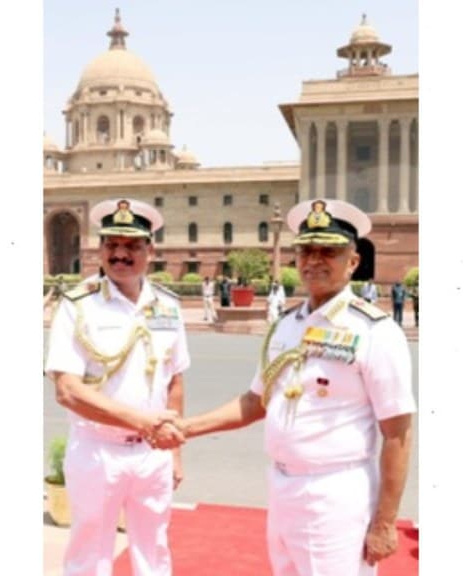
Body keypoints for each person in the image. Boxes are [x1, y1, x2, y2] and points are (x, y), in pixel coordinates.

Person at [170, 198, 416, 575]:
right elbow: (256, 401)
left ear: (352, 262)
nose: (314, 260)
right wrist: (186, 428)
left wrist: (384, 522)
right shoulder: (287, 324)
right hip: (283, 486)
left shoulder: (374, 331)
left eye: (328, 251)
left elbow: (398, 432)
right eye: (306, 250)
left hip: (335, 494)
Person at [45, 198, 188, 576]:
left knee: (153, 551)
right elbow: (68, 390)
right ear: (100, 248)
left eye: (131, 246)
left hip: (152, 453)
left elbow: (175, 377)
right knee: (89, 554)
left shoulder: (168, 305)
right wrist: (141, 422)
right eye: (112, 245)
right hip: (97, 451)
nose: (120, 254)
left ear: (150, 250)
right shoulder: (78, 305)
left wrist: (174, 452)